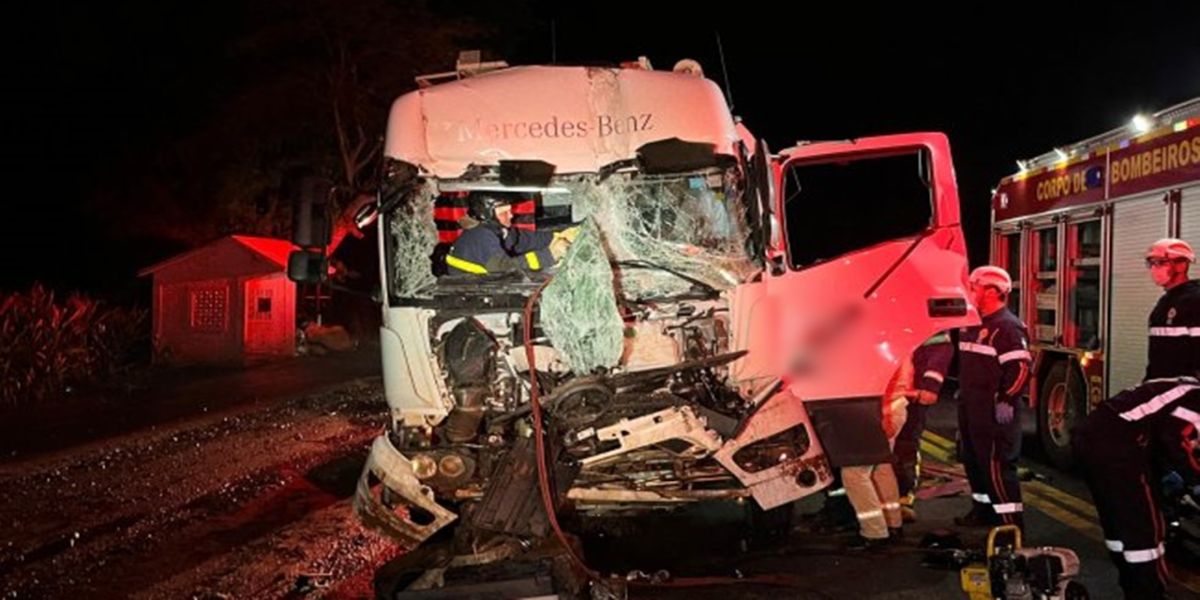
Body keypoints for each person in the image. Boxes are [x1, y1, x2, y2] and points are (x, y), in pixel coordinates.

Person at [1074, 373, 1200, 599]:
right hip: (1119, 448)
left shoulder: (1173, 385)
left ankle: (1132, 586)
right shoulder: (1194, 399)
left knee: (1119, 523)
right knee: (1146, 528)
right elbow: (1176, 439)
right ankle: (1150, 593)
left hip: (1092, 439)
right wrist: (1195, 479)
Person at [955, 266, 1031, 529]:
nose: (969, 290)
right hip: (971, 409)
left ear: (991, 291)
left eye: (974, 286)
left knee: (997, 467)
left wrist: (1007, 399)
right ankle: (984, 513)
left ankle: (1010, 525)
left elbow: (1020, 368)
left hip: (993, 413)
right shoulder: (972, 324)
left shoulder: (1006, 328)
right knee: (974, 462)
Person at [843, 359, 912, 549]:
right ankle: (892, 524)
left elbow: (876, 384)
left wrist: (883, 417)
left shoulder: (879, 348)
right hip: (889, 410)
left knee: (855, 473)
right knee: (881, 468)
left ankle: (874, 533)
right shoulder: (892, 344)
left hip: (879, 414)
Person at [892, 331, 954, 522]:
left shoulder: (921, 318)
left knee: (904, 447)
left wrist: (929, 386)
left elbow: (940, 351)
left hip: (908, 395)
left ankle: (902, 498)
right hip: (887, 394)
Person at [446, 191, 575, 275]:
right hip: (470, 293)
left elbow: (527, 240)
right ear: (486, 215)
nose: (511, 215)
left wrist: (560, 235)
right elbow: (503, 268)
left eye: (510, 210)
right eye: (503, 212)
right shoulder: (480, 236)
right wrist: (550, 255)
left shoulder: (499, 230)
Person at [1144, 238, 1199, 381]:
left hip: (1187, 393)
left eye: (1161, 262)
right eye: (1151, 263)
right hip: (1162, 388)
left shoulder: (1194, 301)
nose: (1154, 269)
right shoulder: (1165, 302)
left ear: (1182, 265)